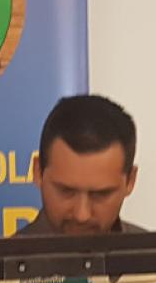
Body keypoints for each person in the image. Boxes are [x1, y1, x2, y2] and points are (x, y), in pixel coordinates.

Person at [20, 93, 143, 236]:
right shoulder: (1, 253)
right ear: (37, 171)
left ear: (130, 180)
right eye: (66, 191)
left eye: (100, 194)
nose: (81, 215)